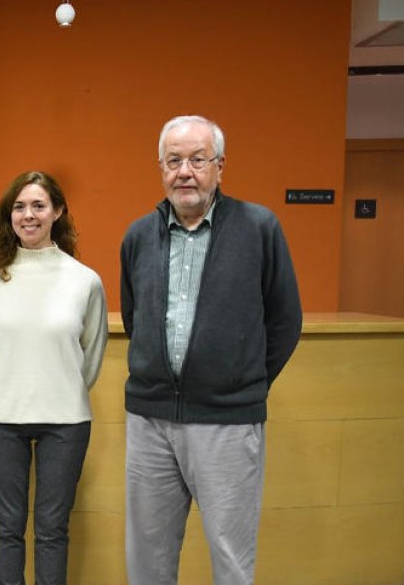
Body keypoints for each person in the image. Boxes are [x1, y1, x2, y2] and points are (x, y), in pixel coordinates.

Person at [120, 115, 302, 585]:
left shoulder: (259, 227)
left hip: (227, 422)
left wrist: (241, 381)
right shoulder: (139, 236)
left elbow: (285, 320)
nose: (186, 171)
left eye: (198, 160)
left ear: (220, 166)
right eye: (174, 160)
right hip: (150, 422)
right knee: (148, 557)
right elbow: (135, 315)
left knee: (230, 556)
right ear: (160, 168)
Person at [0, 171, 107, 585]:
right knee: (7, 529)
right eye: (19, 207)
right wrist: (15, 386)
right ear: (8, 215)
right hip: (1, 419)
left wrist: (58, 387)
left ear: (58, 212)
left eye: (38, 206)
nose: (28, 215)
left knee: (52, 531)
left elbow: (91, 356)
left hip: (65, 422)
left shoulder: (85, 281)